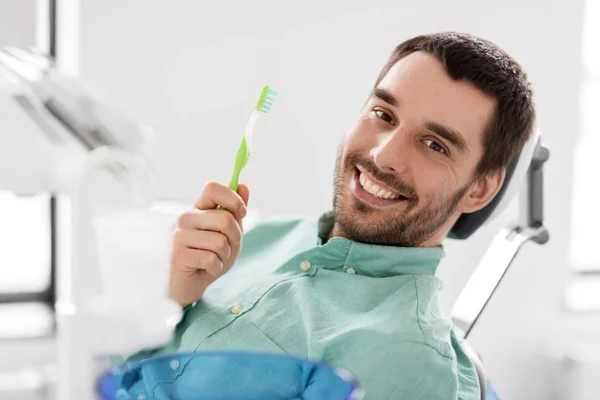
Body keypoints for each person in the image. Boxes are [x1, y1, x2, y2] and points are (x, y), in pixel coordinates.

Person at [133, 32, 535, 399]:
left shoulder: (405, 360)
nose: (383, 155)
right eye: (384, 115)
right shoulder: (260, 237)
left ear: (479, 189)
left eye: (434, 144)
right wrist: (169, 297)